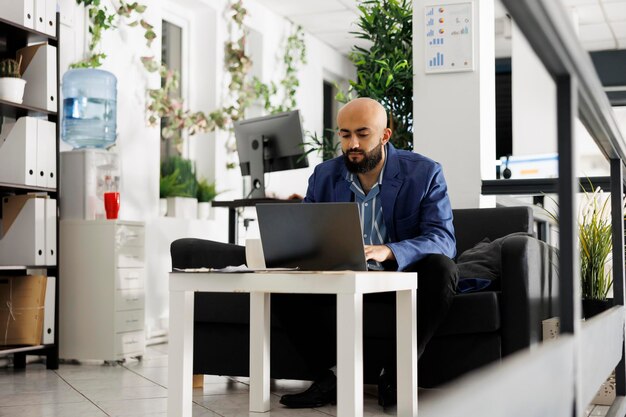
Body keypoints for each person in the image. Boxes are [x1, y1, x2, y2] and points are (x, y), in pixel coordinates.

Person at [278, 97, 458, 409]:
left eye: (363, 133)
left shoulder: (425, 173)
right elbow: (306, 231)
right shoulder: (324, 176)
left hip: (399, 279)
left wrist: (389, 250)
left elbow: (443, 239)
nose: (353, 143)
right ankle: (330, 377)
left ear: (385, 136)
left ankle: (396, 374)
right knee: (281, 282)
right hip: (342, 277)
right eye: (345, 135)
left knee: (442, 269)